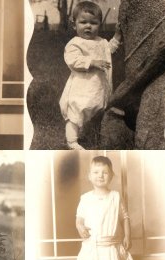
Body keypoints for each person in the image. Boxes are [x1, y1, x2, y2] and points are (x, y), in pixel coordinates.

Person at [59, 1, 122, 150]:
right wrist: (91, 62)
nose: (88, 26)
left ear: (100, 25)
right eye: (83, 22)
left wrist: (117, 37)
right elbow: (73, 61)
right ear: (74, 24)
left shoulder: (101, 42)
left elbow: (110, 49)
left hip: (98, 87)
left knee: (97, 110)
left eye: (93, 23)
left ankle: (92, 134)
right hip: (82, 87)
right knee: (77, 111)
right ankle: (71, 141)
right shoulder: (75, 43)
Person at [75, 156, 135, 260]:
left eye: (105, 172)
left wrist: (128, 236)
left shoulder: (115, 196)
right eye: (96, 172)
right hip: (93, 246)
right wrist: (80, 227)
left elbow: (125, 217)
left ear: (112, 176)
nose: (100, 175)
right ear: (89, 176)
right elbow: (79, 219)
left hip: (112, 247)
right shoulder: (86, 198)